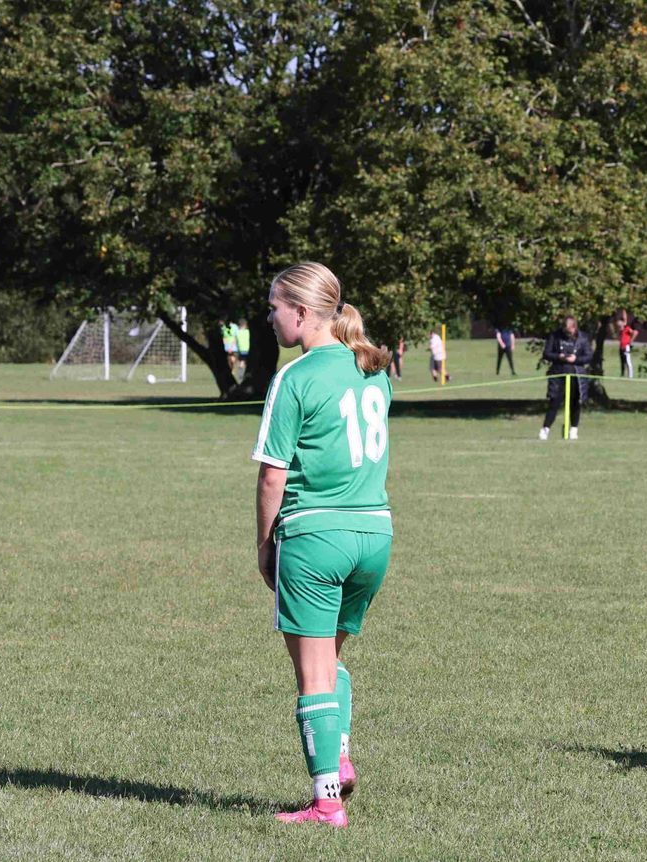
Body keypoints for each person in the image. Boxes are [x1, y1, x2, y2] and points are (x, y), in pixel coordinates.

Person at [252, 262, 396, 828]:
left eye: (274, 308)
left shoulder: (295, 376)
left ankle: (326, 802)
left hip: (315, 537)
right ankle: (339, 755)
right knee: (329, 661)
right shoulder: (373, 369)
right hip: (374, 535)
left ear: (301, 312)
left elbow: (272, 474)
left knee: (312, 676)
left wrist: (264, 543)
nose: (269, 318)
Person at [540, 315, 592, 440]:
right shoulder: (555, 336)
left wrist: (576, 359)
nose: (568, 333)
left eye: (570, 330)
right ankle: (545, 429)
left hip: (576, 375)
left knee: (575, 403)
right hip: (558, 374)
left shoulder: (583, 337)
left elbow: (589, 356)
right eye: (565, 330)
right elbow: (546, 353)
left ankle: (573, 429)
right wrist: (559, 357)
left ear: (574, 327)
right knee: (554, 402)